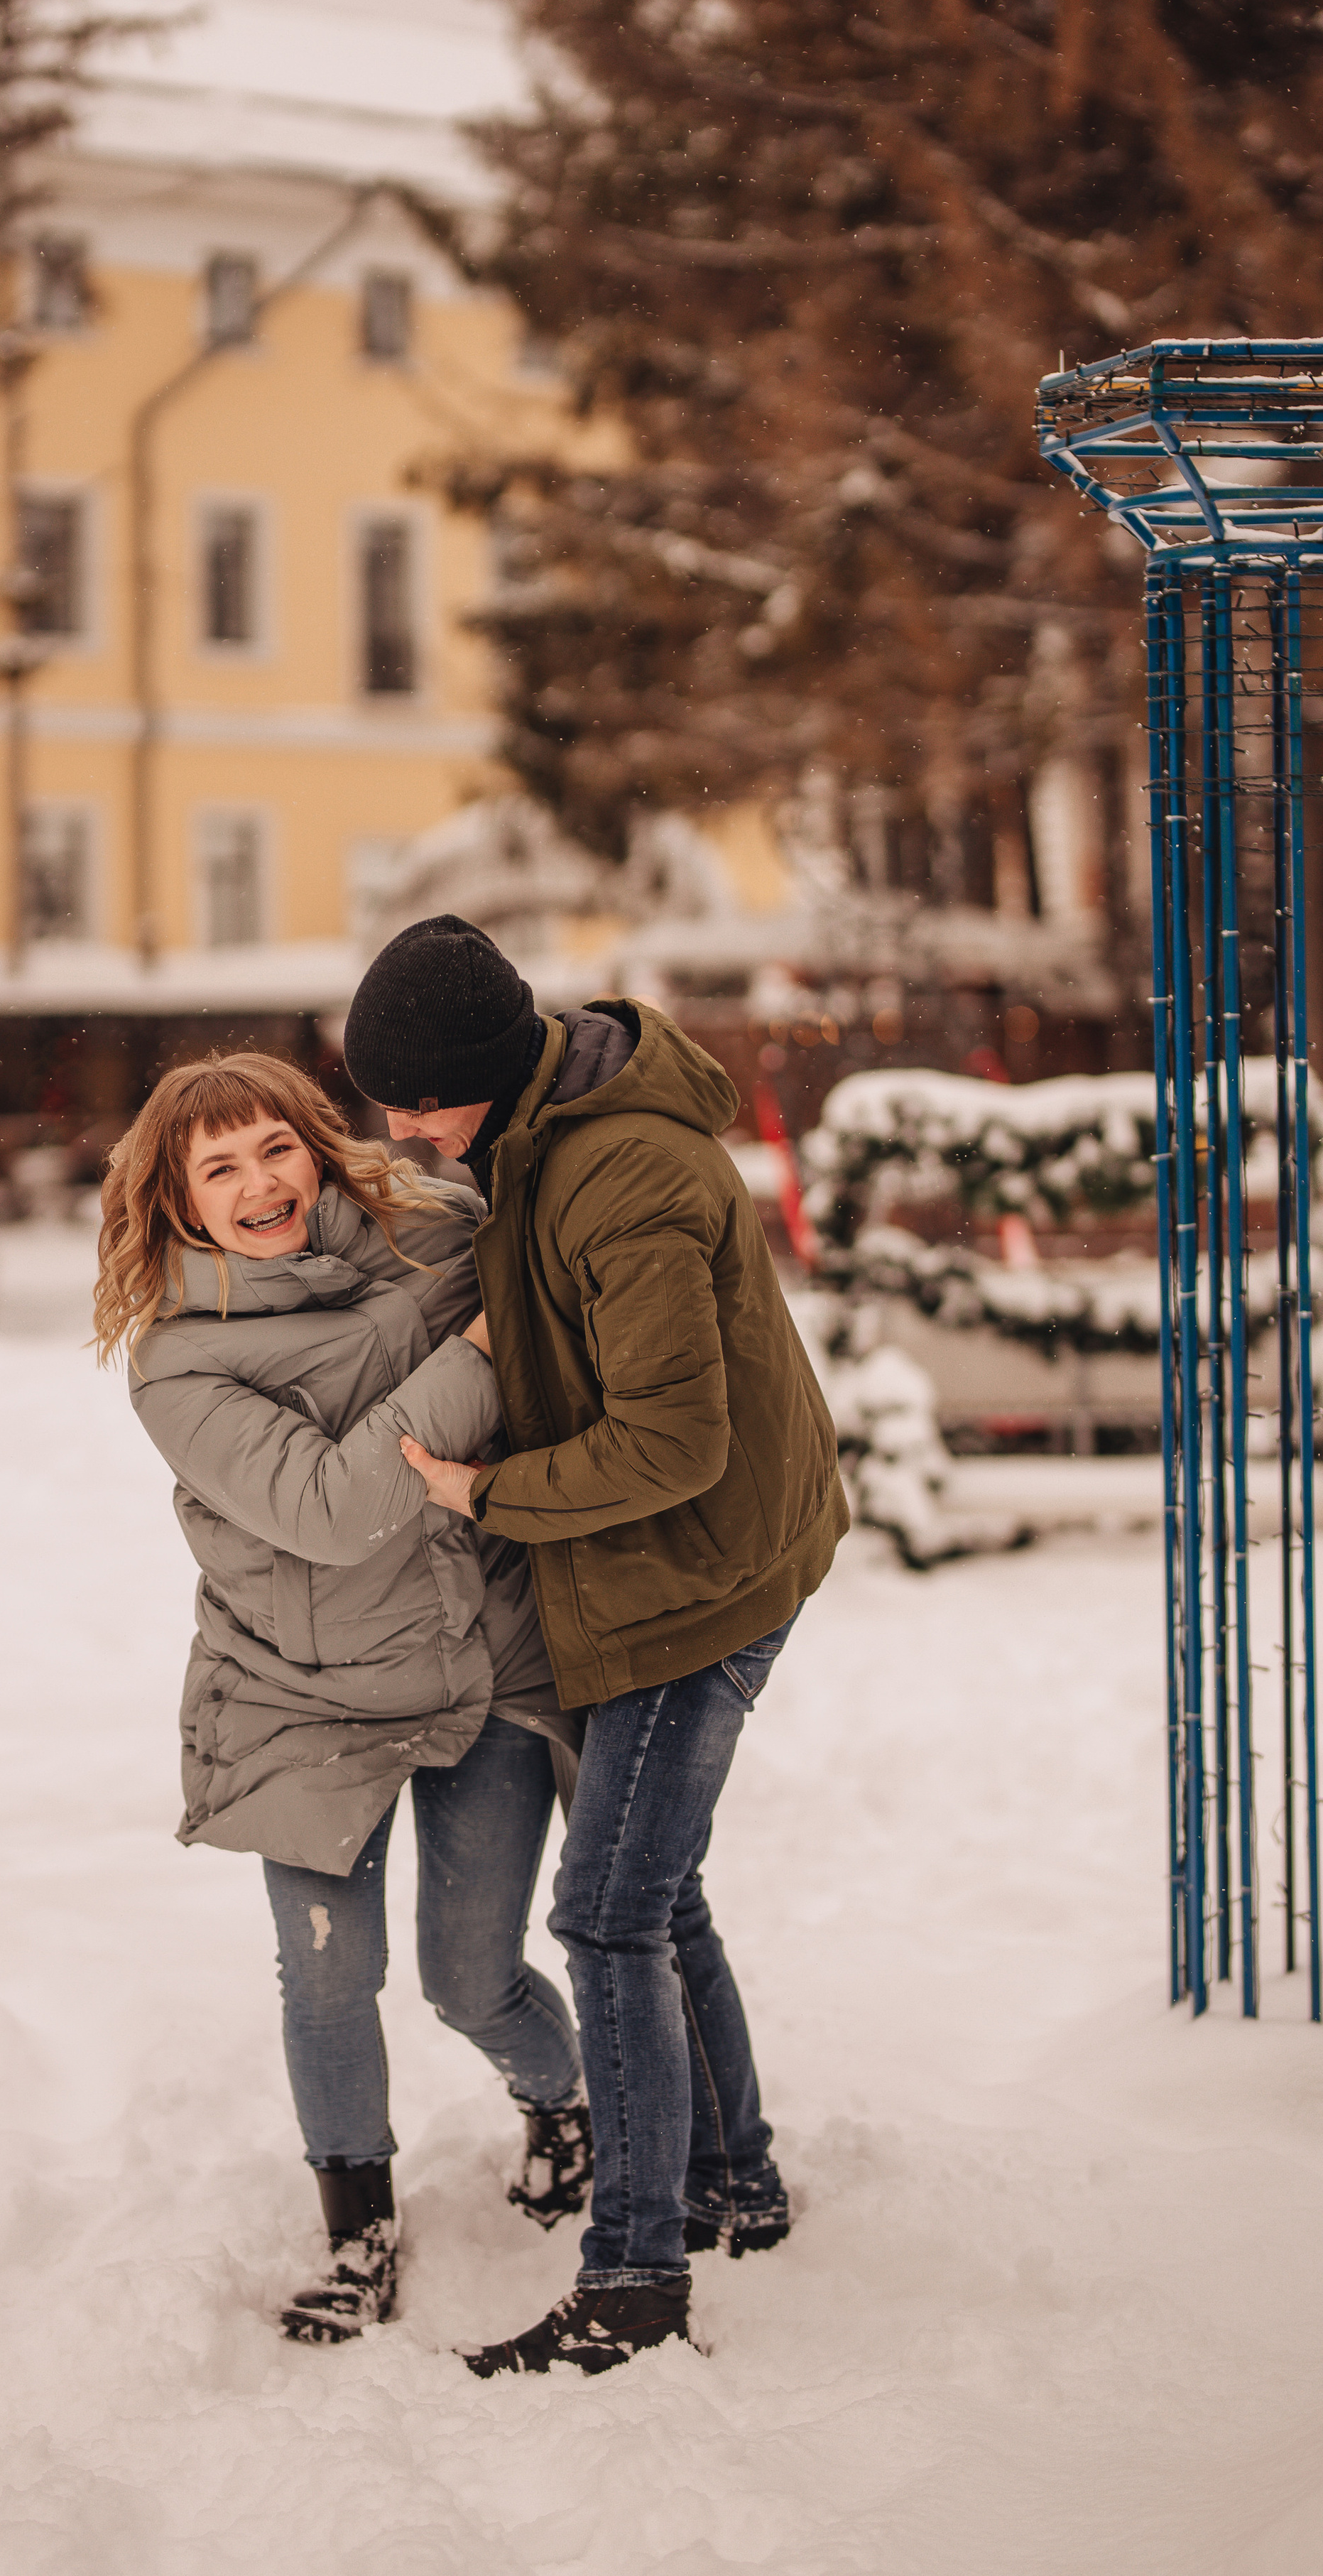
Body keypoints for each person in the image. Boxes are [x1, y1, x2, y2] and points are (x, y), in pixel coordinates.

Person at [341, 915, 850, 2376]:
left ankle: (633, 2279)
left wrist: (487, 1492)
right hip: (684, 1559)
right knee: (656, 1896)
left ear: (481, 1073)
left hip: (703, 1578)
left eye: (415, 1104)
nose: (403, 1132)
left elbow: (674, 1444)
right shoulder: (540, 1131)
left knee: (608, 1913)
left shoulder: (619, 1173)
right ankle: (732, 2181)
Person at [94, 1050, 591, 2346]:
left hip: (479, 1654)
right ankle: (358, 2234)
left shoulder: (438, 1230)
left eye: (276, 1147)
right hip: (297, 1691)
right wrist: (478, 1348)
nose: (259, 1183)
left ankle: (565, 2111)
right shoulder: (178, 1363)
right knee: (328, 1976)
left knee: (473, 1978)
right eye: (218, 1168)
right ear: (176, 1200)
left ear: (316, 1147)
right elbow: (332, 1506)